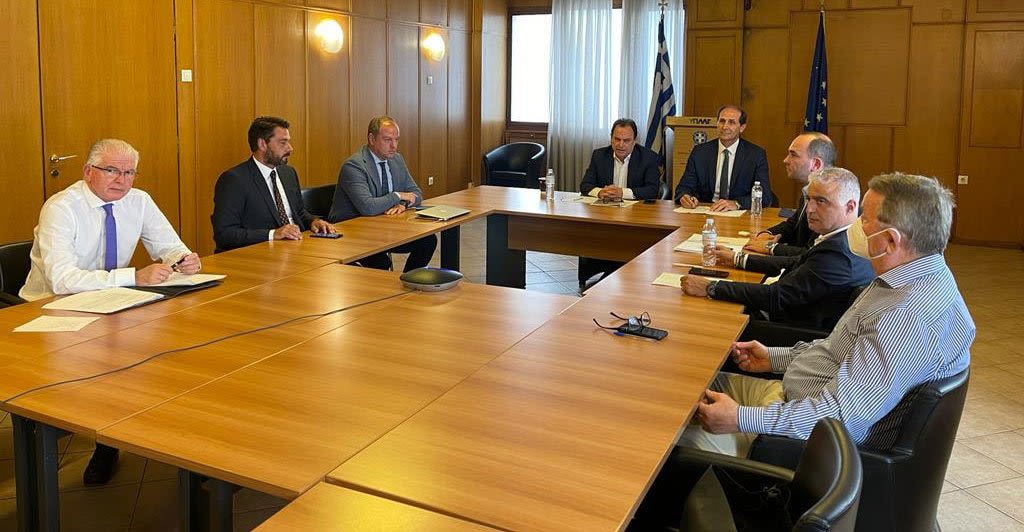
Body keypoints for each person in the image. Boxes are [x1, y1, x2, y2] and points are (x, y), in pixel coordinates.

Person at [679, 172, 973, 457]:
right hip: (792, 399)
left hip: (799, 442)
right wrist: (774, 357)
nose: (856, 226)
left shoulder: (903, 317)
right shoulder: (916, 277)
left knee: (672, 430)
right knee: (687, 386)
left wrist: (739, 418)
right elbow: (838, 350)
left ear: (892, 241)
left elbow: (836, 419)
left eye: (865, 220)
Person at [20, 138, 202, 485]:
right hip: (51, 310)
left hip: (110, 302)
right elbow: (62, 279)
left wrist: (183, 259)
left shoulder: (139, 200)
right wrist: (134, 276)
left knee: (152, 356)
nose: (122, 180)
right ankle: (74, 438)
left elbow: (169, 246)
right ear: (88, 171)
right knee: (107, 365)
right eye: (112, 170)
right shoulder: (61, 207)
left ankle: (115, 440)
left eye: (130, 172)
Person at [681, 167, 873, 331]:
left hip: (789, 333)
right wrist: (738, 259)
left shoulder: (839, 253)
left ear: (850, 206)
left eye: (821, 201)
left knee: (701, 319)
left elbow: (776, 296)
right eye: (809, 200)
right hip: (788, 318)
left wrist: (711, 287)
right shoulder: (844, 238)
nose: (809, 209)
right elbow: (796, 261)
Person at [211, 116, 335, 252]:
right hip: (260, 254)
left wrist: (314, 221)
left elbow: (299, 212)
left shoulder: (288, 173)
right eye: (283, 143)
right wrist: (273, 234)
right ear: (262, 144)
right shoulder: (234, 180)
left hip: (298, 247)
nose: (290, 148)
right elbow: (224, 234)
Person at [329, 116, 436, 272]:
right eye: (387, 140)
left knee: (427, 241)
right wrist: (398, 196)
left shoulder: (397, 159)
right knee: (381, 262)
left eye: (396, 140)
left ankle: (407, 281)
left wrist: (403, 204)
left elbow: (416, 193)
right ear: (372, 139)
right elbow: (368, 207)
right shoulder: (354, 166)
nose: (394, 146)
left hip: (384, 228)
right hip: (354, 233)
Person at [577, 118, 662, 290]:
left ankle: (622, 273)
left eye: (626, 140)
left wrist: (622, 192)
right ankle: (604, 270)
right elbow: (585, 185)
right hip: (604, 217)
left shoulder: (649, 158)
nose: (621, 145)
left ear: (635, 141)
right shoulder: (599, 155)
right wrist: (600, 192)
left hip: (636, 219)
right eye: (617, 139)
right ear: (611, 138)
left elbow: (652, 190)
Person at [744, 132, 835, 256]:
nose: (785, 160)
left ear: (816, 164)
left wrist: (770, 248)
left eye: (793, 155)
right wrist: (767, 234)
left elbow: (811, 253)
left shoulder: (828, 201)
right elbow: (794, 223)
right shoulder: (810, 189)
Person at [674, 105, 772, 211]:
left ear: (742, 127)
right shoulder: (700, 152)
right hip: (706, 211)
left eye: (731, 122)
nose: (725, 127)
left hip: (738, 213)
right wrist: (685, 196)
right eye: (722, 121)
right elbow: (684, 187)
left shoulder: (756, 155)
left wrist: (736, 203)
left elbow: (765, 196)